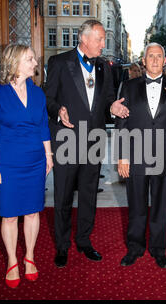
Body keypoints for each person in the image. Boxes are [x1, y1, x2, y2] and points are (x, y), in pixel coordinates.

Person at [44, 20, 128, 268]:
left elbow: (109, 98)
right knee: (63, 195)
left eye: (103, 39)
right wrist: (58, 111)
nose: (104, 44)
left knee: (89, 194)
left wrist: (113, 106)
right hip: (67, 138)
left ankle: (83, 240)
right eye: (100, 39)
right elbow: (48, 98)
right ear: (84, 38)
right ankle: (62, 246)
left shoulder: (104, 66)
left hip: (94, 140)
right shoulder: (59, 62)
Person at [116, 43, 166, 268]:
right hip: (136, 156)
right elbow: (122, 123)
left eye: (159, 56)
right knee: (136, 206)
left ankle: (159, 250)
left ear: (165, 60)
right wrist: (122, 156)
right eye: (151, 56)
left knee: (161, 207)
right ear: (143, 60)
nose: (156, 60)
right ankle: (135, 248)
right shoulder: (128, 87)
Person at [0, 44, 53, 288]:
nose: (35, 63)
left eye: (34, 59)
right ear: (15, 63)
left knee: (33, 211)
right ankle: (12, 260)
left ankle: (30, 257)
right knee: (10, 215)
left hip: (35, 161)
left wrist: (48, 154)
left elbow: (44, 126)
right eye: (30, 59)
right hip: (9, 162)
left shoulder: (38, 94)